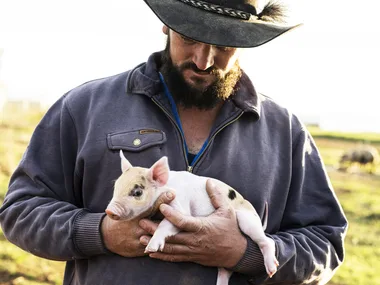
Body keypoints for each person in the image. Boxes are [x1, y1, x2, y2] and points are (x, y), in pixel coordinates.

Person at [0, 0, 348, 284]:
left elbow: (325, 244)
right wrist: (102, 233)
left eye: (225, 45)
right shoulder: (84, 107)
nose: (204, 60)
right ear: (166, 24)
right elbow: (21, 211)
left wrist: (245, 254)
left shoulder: (285, 132)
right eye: (190, 36)